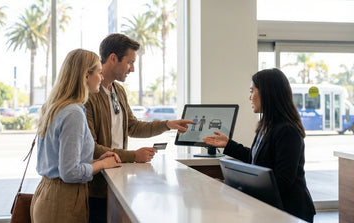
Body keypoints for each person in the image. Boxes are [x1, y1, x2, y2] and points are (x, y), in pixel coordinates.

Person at [84, 33, 195, 223]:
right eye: (129, 62)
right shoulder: (89, 94)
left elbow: (132, 126)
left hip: (117, 179)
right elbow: (91, 148)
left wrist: (168, 125)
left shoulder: (118, 91)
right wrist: (133, 156)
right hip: (95, 188)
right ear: (113, 58)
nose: (132, 69)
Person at [203, 68, 316, 222]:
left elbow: (283, 180)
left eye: (252, 91)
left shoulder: (287, 131)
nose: (250, 97)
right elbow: (256, 159)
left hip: (290, 212)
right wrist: (228, 144)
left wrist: (241, 188)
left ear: (267, 93)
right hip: (271, 209)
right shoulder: (266, 125)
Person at [30, 49, 122, 223]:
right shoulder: (74, 113)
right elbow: (70, 172)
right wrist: (102, 164)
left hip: (47, 194)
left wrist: (93, 162)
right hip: (63, 200)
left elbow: (60, 162)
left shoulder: (55, 106)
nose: (102, 78)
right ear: (86, 76)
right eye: (99, 73)